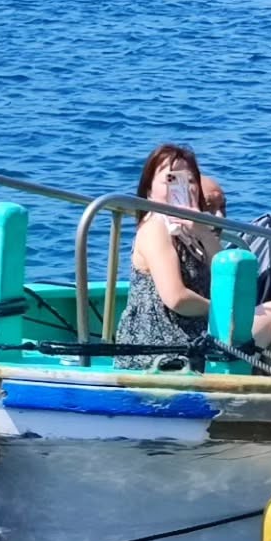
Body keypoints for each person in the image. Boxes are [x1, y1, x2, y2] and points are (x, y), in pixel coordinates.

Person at [114, 144, 219, 371]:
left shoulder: (190, 231)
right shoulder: (155, 227)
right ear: (149, 190)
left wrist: (202, 231)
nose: (181, 187)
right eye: (170, 180)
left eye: (189, 181)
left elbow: (225, 275)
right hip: (161, 342)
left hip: (196, 332)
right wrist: (220, 311)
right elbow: (176, 298)